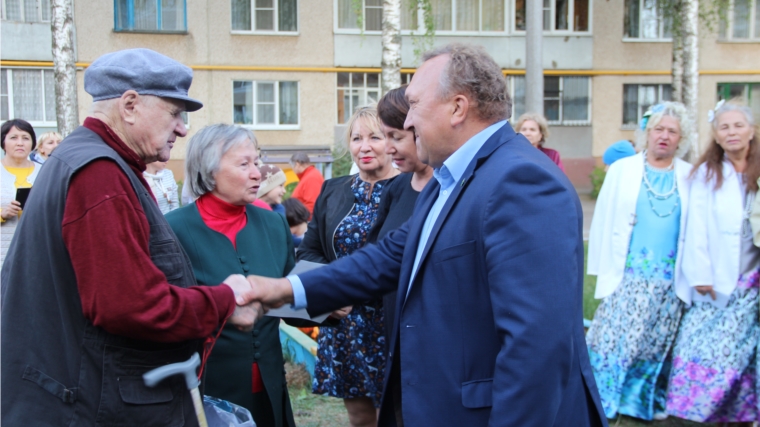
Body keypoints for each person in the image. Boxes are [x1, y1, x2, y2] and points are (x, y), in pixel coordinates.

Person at [244, 43, 605, 427]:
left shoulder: (521, 181)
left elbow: (536, 348)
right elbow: (385, 260)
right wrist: (283, 291)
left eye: (414, 104)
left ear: (458, 107)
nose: (408, 121)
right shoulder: (446, 180)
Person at [0, 48, 262, 426]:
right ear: (129, 105)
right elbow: (130, 305)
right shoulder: (99, 173)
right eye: (174, 112)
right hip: (87, 404)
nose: (183, 128)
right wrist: (225, 300)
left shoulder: (84, 159)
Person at [166, 124, 297, 427]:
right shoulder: (172, 231)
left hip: (269, 386)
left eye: (257, 161)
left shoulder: (273, 225)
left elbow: (291, 299)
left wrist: (332, 294)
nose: (257, 173)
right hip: (207, 390)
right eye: (244, 164)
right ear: (209, 171)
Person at [586, 102, 694, 421]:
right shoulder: (624, 169)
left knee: (654, 345)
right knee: (614, 341)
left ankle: (639, 402)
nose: (664, 136)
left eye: (671, 131)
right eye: (658, 129)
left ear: (680, 138)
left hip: (669, 280)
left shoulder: (690, 176)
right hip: (628, 275)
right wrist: (600, 271)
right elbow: (603, 219)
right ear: (646, 134)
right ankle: (601, 398)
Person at [297, 105, 398, 427]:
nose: (364, 146)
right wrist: (331, 290)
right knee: (358, 416)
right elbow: (310, 251)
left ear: (393, 141)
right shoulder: (334, 190)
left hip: (391, 322)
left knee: (396, 415)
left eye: (375, 137)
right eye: (356, 138)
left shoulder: (412, 189)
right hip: (344, 320)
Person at [666, 101, 760, 424]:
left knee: (748, 351)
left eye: (738, 126)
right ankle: (695, 408)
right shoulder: (707, 174)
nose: (732, 132)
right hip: (718, 277)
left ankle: (743, 411)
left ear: (752, 131)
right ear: (716, 137)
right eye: (724, 127)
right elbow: (697, 228)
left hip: (753, 279)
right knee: (709, 347)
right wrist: (700, 273)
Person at [367, 85, 433, 348]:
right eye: (385, 137)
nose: (388, 148)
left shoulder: (453, 191)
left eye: (396, 136)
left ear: (420, 131)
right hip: (396, 337)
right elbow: (377, 257)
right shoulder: (395, 188)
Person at [1, 119, 41, 266]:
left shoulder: (45, 171)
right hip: (3, 250)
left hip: (36, 252)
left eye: (25, 138)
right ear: (3, 142)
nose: (20, 143)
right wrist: (2, 214)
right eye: (13, 138)